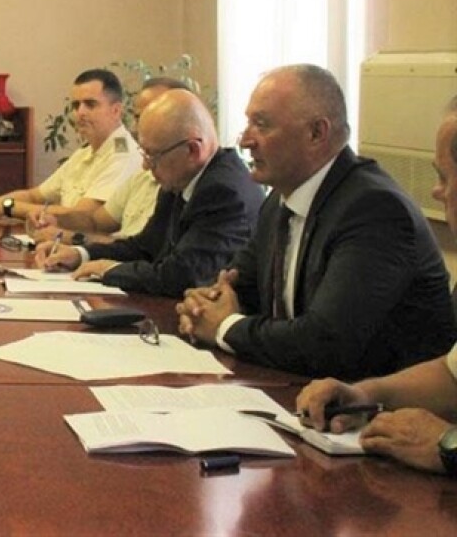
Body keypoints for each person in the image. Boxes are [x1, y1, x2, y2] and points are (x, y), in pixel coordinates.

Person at [176, 65, 455, 380]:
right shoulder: (279, 200)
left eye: (261, 125)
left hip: (380, 402)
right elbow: (238, 288)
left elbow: (325, 342)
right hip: (299, 386)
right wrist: (202, 308)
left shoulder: (374, 209)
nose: (245, 140)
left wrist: (223, 327)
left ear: (316, 133)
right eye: (248, 123)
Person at [293, 98, 457, 475]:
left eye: (445, 177)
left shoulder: (374, 204)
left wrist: (448, 444)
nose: (437, 192)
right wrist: (366, 394)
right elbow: (452, 375)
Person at [38, 90, 263, 296]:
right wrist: (81, 254)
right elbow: (144, 247)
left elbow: (182, 276)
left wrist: (110, 270)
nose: (146, 166)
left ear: (193, 150)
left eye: (152, 156)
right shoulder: (180, 178)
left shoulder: (223, 192)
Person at [0, 69, 141, 222]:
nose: (80, 112)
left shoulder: (123, 156)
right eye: (76, 105)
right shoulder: (85, 152)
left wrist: (6, 207)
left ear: (116, 110)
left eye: (90, 104)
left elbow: (82, 215)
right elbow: (35, 196)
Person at [30, 77, 186, 245]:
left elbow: (143, 251)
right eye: (138, 117)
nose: (80, 113)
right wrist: (55, 219)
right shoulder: (143, 174)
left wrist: (70, 238)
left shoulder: (183, 185)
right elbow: (96, 221)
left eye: (90, 104)